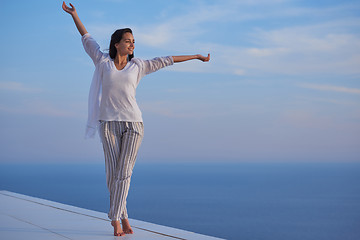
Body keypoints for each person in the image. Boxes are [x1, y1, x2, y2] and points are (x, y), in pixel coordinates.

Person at [62, 2, 210, 237]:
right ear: (117, 43)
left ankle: (114, 219)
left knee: (125, 172)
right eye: (128, 40)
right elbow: (86, 37)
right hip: (108, 125)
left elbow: (167, 59)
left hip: (134, 125)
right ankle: (124, 216)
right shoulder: (102, 62)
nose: (132, 44)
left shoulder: (138, 65)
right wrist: (74, 14)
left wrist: (196, 56)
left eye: (133, 41)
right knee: (113, 173)